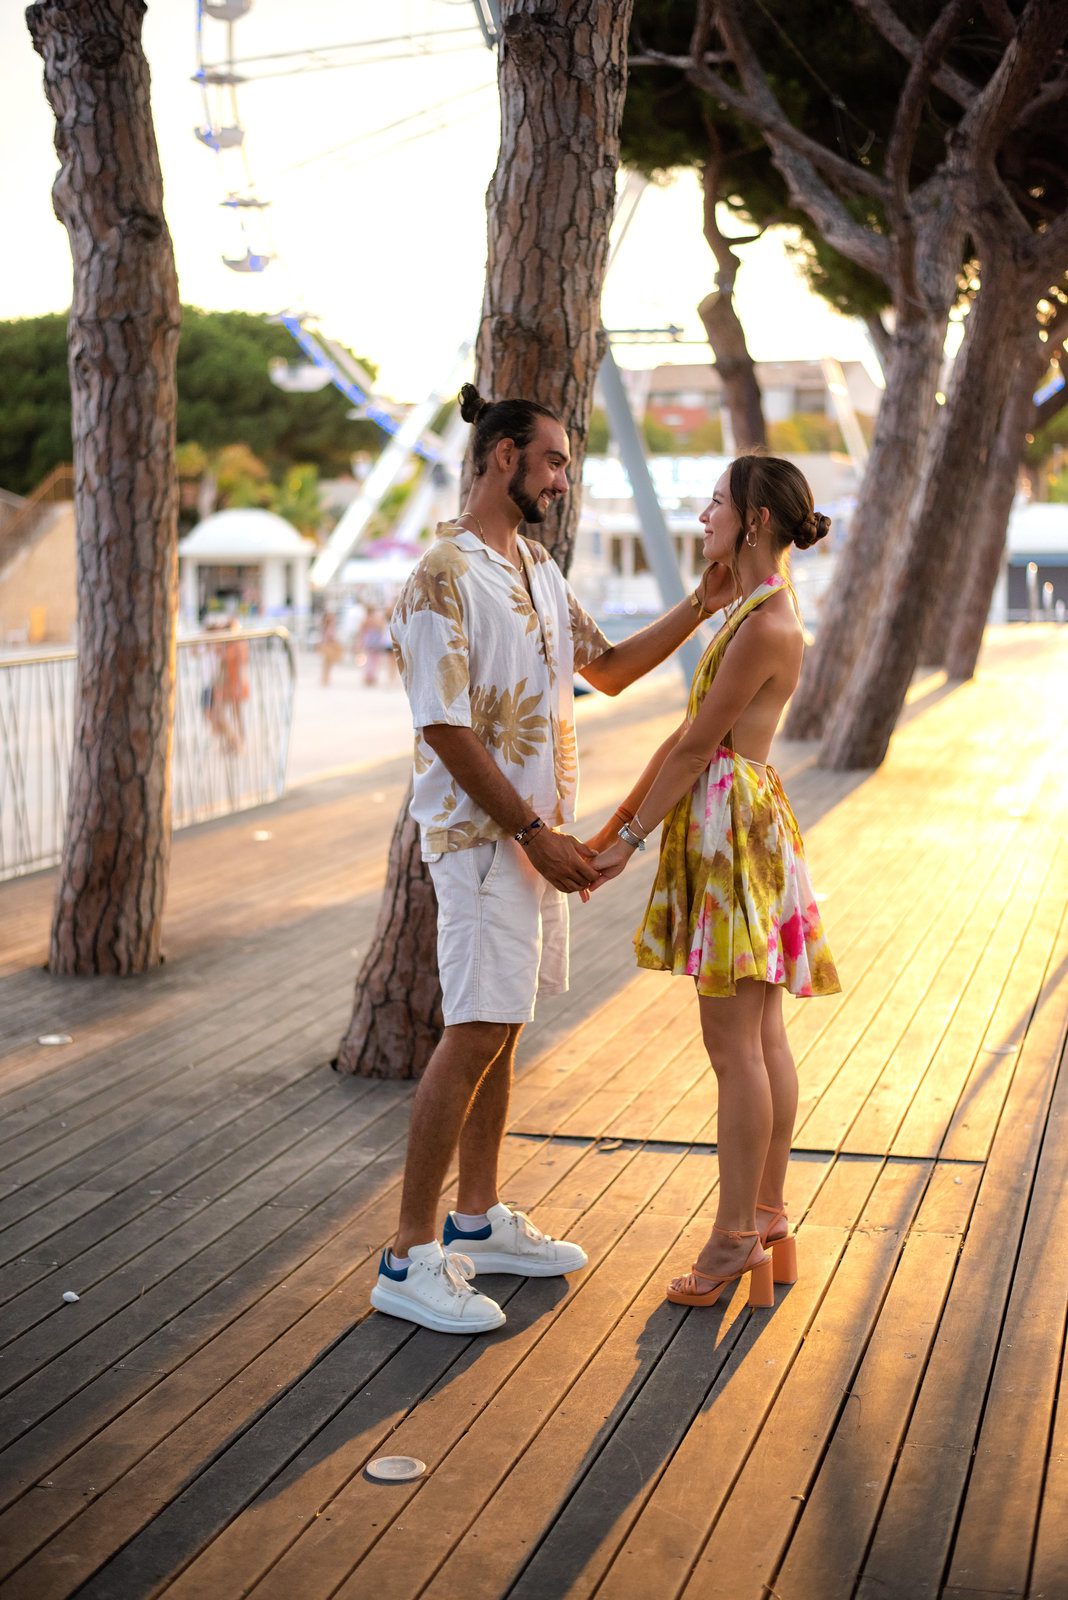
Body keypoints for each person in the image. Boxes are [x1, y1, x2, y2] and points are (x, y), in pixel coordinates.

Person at [372, 383, 732, 1336]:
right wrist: (535, 832)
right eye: (554, 462)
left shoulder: (533, 564)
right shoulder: (440, 575)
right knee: (475, 1031)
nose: (563, 481)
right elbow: (444, 728)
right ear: (504, 457)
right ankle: (406, 1257)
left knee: (505, 1026)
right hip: (483, 842)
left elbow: (604, 670)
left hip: (533, 841)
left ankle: (477, 1220)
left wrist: (701, 604)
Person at [588, 454, 841, 1312]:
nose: (704, 516)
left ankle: (735, 1236)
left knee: (737, 1048)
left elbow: (696, 747)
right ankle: (766, 1218)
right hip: (743, 820)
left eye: (717, 503)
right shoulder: (756, 609)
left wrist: (625, 843)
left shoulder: (765, 623)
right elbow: (687, 739)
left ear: (756, 519)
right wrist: (616, 829)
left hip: (733, 829)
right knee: (761, 1037)